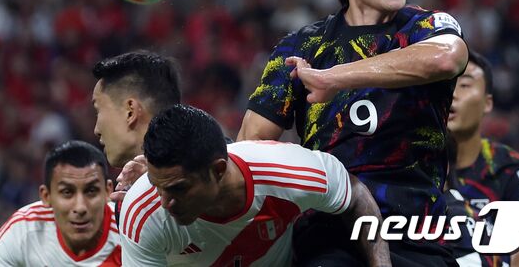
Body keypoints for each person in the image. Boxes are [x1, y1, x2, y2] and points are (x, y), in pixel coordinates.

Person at [237, 0, 468, 267]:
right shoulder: (302, 46)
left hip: (415, 234)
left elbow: (445, 58)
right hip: (330, 234)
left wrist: (332, 78)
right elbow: (250, 146)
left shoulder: (426, 28)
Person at [120, 104, 391, 267]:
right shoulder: (144, 214)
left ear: (218, 170)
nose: (166, 202)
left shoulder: (286, 172)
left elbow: (354, 195)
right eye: (157, 185)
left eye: (178, 188)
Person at [447, 50, 519, 266]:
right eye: (445, 86)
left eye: (464, 85)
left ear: (488, 103)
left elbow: (517, 258)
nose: (452, 94)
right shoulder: (411, 167)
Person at [0, 140, 121, 266]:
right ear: (46, 196)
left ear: (107, 191)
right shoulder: (24, 230)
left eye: (91, 191)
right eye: (67, 192)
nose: (80, 207)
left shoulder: (128, 229)